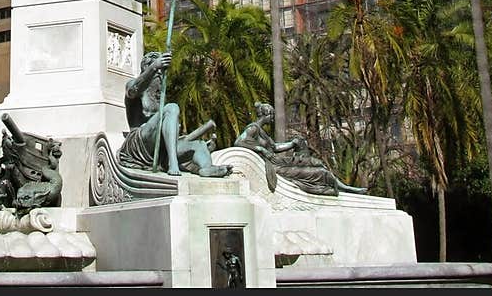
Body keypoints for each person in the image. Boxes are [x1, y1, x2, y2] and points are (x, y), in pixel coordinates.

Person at [119, 51, 230, 178]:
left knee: (198, 145)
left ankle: (207, 168)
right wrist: (154, 66)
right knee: (172, 107)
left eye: (164, 70)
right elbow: (132, 91)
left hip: (161, 150)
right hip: (138, 143)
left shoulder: (160, 96)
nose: (161, 74)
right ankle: (173, 163)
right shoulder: (134, 86)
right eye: (159, 71)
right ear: (146, 68)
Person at [234, 102, 366, 196]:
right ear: (266, 114)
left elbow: (275, 147)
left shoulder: (262, 132)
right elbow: (238, 142)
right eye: (272, 115)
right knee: (318, 172)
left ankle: (344, 187)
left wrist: (292, 143)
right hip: (273, 167)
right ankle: (346, 188)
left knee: (316, 163)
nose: (273, 118)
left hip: (278, 162)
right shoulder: (253, 129)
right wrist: (261, 150)